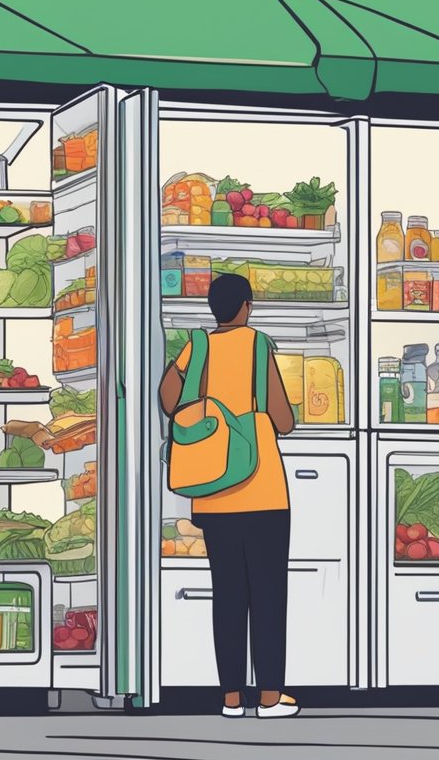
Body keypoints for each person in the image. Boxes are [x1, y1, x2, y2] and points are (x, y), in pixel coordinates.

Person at [158, 273, 299, 718]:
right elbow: (282, 419)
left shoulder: (196, 346)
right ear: (246, 307)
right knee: (269, 594)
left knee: (229, 595)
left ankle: (232, 698)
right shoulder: (258, 345)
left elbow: (167, 400)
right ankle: (272, 697)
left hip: (212, 494)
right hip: (261, 489)